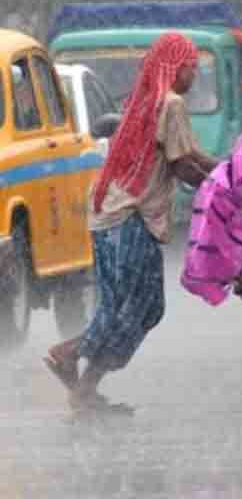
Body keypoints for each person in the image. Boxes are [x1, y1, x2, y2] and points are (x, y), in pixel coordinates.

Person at [44, 33, 219, 413]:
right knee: (136, 304)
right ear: (178, 68)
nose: (194, 76)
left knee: (134, 306)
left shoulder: (146, 100)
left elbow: (187, 153)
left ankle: (85, 387)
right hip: (129, 217)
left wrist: (223, 169)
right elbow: (182, 165)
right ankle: (70, 354)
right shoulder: (170, 103)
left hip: (111, 214)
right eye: (192, 68)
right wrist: (222, 183)